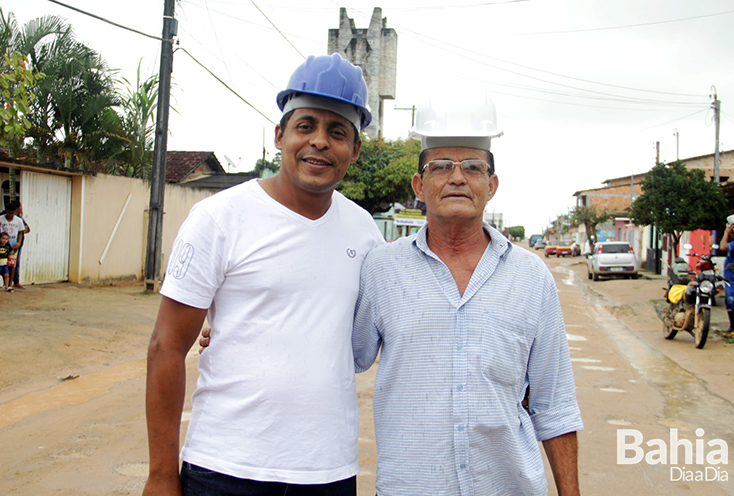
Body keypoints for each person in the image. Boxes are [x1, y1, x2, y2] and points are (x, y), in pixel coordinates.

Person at [143, 53, 384, 496]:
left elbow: (367, 335)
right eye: (306, 125)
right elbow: (166, 347)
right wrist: (161, 474)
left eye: (337, 132)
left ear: (355, 148)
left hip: (327, 473)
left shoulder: (364, 231)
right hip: (225, 469)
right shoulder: (219, 218)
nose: (320, 143)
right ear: (280, 135)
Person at [352, 93, 583, 495]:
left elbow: (555, 404)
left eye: (472, 168)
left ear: (490, 186)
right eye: (440, 166)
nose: (457, 178)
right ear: (419, 185)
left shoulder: (531, 278)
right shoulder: (381, 270)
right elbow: (340, 356)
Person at [0, 201, 25, 288]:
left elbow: (20, 232)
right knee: (2, 263)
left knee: (12, 264)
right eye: (8, 213)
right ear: (6, 211)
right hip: (2, 246)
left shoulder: (19, 220)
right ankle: (4, 283)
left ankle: (10, 283)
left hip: (13, 246)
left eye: (12, 213)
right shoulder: (1, 219)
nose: (10, 215)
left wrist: (18, 243)